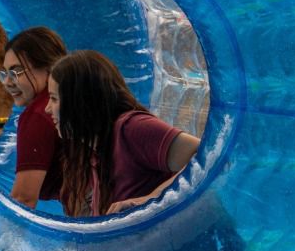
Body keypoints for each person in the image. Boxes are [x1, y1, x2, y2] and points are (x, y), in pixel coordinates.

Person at [45, 49, 200, 218]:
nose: (47, 109)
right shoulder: (90, 154)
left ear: (81, 100)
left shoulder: (131, 129)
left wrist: (148, 201)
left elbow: (206, 155)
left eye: (54, 99)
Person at [0, 26, 67, 210]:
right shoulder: (71, 97)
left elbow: (23, 199)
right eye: (5, 73)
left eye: (16, 72)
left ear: (48, 68)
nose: (7, 82)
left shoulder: (37, 114)